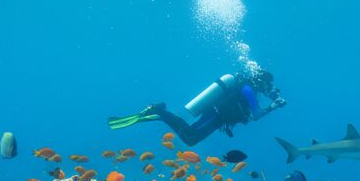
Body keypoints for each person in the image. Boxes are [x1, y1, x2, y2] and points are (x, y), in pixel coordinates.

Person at [108, 67, 286, 146]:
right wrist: (273, 106)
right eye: (266, 84)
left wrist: (273, 98)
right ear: (260, 80)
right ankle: (159, 111)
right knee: (192, 137)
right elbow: (256, 115)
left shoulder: (247, 88)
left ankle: (161, 114)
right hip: (217, 116)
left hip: (216, 116)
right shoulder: (248, 90)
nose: (266, 88)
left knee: (191, 137)